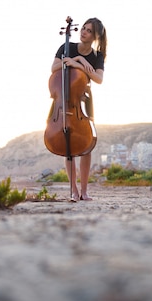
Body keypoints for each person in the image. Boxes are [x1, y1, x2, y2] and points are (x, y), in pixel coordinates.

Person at [50, 17, 107, 202]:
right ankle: (73, 190)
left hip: (82, 101)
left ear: (96, 36)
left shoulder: (97, 56)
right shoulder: (66, 48)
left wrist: (81, 61)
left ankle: (84, 191)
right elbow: (54, 68)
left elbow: (98, 79)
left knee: (86, 146)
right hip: (64, 100)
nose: (83, 32)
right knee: (68, 146)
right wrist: (73, 59)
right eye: (83, 28)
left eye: (89, 30)